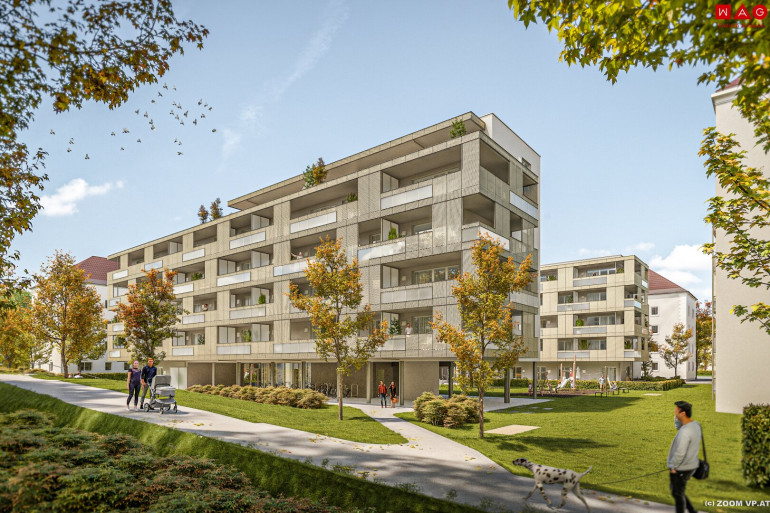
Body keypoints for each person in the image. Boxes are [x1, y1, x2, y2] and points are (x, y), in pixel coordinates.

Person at [668, 400, 702, 513]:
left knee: (677, 493)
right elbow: (678, 425)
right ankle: (692, 511)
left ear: (683, 413)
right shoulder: (694, 425)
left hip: (683, 467)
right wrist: (677, 417)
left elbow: (681, 452)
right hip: (691, 464)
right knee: (677, 490)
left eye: (676, 411)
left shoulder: (685, 432)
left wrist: (673, 466)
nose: (674, 413)